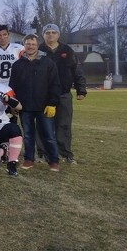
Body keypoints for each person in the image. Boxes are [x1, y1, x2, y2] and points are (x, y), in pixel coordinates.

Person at [10, 34, 61, 171]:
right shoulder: (17, 65)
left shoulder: (48, 62)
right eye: (27, 44)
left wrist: (52, 103)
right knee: (28, 135)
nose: (30, 46)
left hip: (44, 106)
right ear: (24, 46)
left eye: (33, 44)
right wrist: (13, 105)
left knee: (49, 135)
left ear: (37, 45)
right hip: (25, 107)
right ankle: (29, 159)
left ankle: (54, 160)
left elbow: (55, 84)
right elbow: (12, 87)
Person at [39, 24, 86, 164]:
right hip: (43, 95)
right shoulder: (39, 51)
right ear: (43, 35)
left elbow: (77, 70)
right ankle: (42, 153)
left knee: (64, 125)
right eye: (48, 32)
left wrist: (81, 89)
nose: (51, 35)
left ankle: (65, 153)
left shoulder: (67, 50)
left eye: (54, 32)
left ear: (58, 35)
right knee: (43, 125)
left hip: (63, 94)